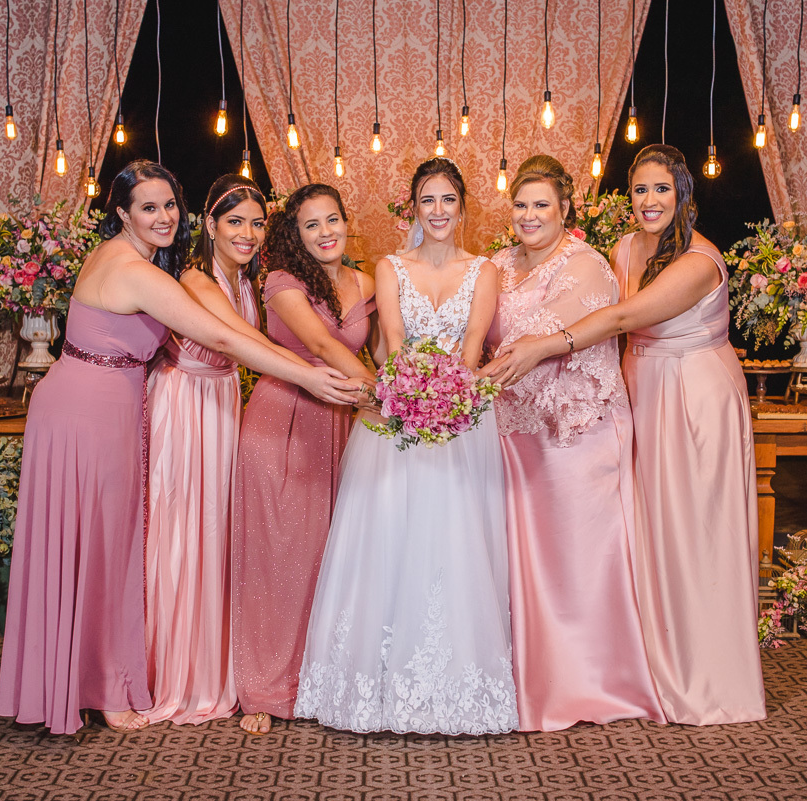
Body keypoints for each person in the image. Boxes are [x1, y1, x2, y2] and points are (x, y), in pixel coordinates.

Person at [0, 161, 357, 736]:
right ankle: (102, 686)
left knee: (98, 548)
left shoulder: (138, 260)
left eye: (169, 205)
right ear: (121, 213)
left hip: (105, 402)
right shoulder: (133, 269)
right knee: (101, 548)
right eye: (148, 207)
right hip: (88, 411)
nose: (163, 217)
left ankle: (85, 679)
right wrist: (309, 375)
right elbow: (222, 336)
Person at [486, 144, 767, 725]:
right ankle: (656, 664)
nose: (649, 201)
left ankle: (712, 679)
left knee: (696, 530)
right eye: (640, 190)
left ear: (682, 193)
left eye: (661, 189)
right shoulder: (624, 248)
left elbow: (617, 318)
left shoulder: (699, 261)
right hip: (643, 385)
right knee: (651, 530)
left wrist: (541, 346)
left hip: (694, 393)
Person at [294, 158, 517, 735]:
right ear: (413, 207)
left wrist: (449, 400)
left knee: (454, 540)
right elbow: (393, 344)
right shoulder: (390, 267)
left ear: (462, 207)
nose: (438, 211)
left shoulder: (484, 270)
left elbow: (473, 346)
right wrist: (411, 398)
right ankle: (374, 680)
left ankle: (454, 684)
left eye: (448, 199)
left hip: (462, 418)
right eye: (427, 200)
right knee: (390, 538)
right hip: (398, 413)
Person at [479, 154, 664, 732]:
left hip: (575, 435)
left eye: (542, 205)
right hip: (516, 433)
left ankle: (589, 681)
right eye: (520, 204)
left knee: (575, 559)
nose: (529, 215)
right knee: (525, 559)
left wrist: (461, 388)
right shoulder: (498, 264)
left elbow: (535, 343)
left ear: (565, 210)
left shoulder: (586, 267)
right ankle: (530, 678)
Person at [142, 175, 294, 726]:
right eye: (235, 222)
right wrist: (311, 375)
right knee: (183, 532)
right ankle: (176, 673)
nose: (248, 233)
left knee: (216, 533)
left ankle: (219, 663)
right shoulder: (195, 277)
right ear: (210, 224)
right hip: (185, 405)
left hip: (222, 403)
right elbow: (239, 341)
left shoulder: (246, 280)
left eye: (257, 223)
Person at [232, 183, 379, 735]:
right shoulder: (282, 281)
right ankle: (263, 687)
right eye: (311, 224)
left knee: (326, 556)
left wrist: (418, 380)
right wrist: (388, 395)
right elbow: (321, 345)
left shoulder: (365, 283)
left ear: (346, 221)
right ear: (295, 234)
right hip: (285, 421)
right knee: (276, 557)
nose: (325, 232)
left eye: (332, 219)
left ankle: (316, 677)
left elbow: (381, 348)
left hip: (339, 424)